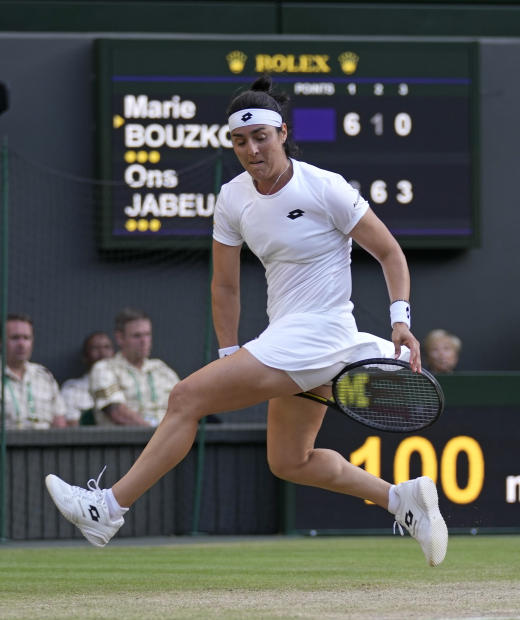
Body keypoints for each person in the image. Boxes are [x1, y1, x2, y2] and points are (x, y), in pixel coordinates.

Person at [45, 76, 447, 566]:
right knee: (289, 461)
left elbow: (389, 252)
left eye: (260, 137)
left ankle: (107, 507)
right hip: (285, 336)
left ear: (282, 132)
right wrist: (229, 353)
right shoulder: (233, 197)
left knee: (185, 397)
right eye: (239, 140)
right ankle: (400, 500)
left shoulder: (326, 187)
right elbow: (225, 285)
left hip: (321, 333)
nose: (251, 149)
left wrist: (400, 319)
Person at [88, 308, 179, 427]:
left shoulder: (161, 369)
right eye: (137, 336)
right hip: (126, 442)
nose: (144, 341)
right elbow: (117, 413)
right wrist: (158, 437)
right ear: (120, 338)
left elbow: (185, 403)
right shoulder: (104, 368)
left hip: (171, 439)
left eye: (147, 334)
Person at [3, 313, 68, 429]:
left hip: (44, 445)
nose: (21, 344)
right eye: (15, 338)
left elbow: (59, 423)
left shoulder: (44, 376)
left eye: (26, 338)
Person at [60, 331, 115, 426]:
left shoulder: (124, 384)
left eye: (107, 347)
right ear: (85, 357)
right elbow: (72, 429)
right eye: (95, 348)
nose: (102, 353)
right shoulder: (72, 389)